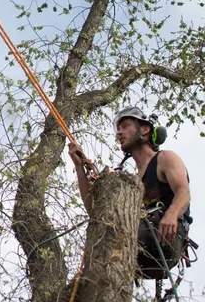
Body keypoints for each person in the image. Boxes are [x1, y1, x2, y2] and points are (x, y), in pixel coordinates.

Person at [68, 107, 192, 280]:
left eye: (125, 126)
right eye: (118, 129)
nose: (120, 132)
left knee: (111, 238)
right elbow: (94, 212)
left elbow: (183, 191)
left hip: (167, 237)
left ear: (145, 129)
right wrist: (79, 168)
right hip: (137, 241)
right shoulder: (132, 182)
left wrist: (171, 214)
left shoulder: (165, 158)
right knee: (102, 236)